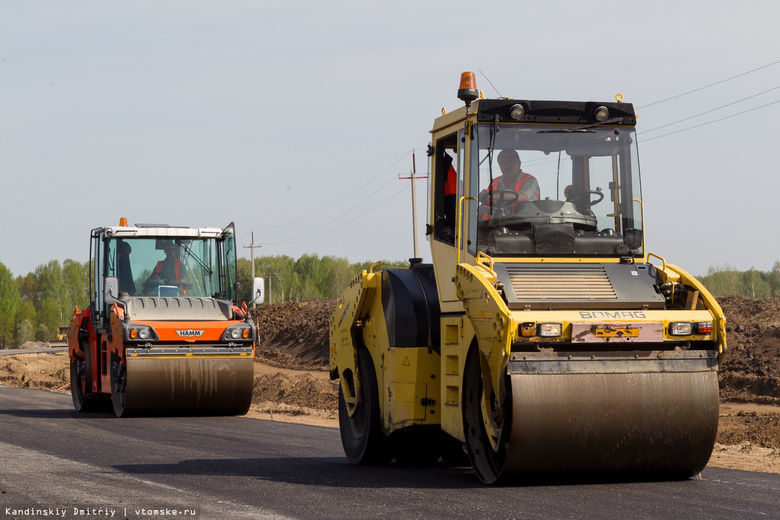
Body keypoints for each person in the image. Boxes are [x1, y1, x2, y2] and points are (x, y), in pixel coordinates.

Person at [480, 149, 539, 220]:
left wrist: (494, 195)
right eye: (503, 163)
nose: (507, 166)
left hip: (523, 226)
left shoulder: (530, 180)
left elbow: (523, 196)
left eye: (510, 162)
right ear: (499, 165)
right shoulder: (494, 183)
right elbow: (484, 208)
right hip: (492, 226)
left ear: (519, 164)